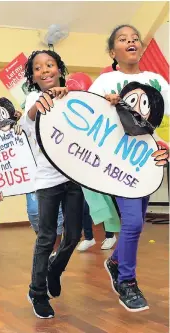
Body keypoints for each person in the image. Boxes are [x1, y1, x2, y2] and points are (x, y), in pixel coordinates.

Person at [87, 24, 169, 313]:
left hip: (148, 161)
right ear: (113, 51)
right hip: (118, 163)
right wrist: (108, 105)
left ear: (141, 48)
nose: (130, 42)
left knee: (138, 220)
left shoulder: (156, 80)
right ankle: (127, 281)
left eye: (135, 39)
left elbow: (167, 116)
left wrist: (165, 145)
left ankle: (116, 261)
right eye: (123, 39)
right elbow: (91, 118)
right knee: (132, 223)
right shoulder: (104, 82)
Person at [24, 50, 84, 319]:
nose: (45, 70)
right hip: (48, 180)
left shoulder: (73, 98)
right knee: (47, 237)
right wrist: (48, 97)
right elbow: (34, 113)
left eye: (50, 65)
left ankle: (54, 270)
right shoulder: (33, 98)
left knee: (73, 235)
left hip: (74, 178)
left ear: (59, 69)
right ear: (33, 76)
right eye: (38, 68)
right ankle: (37, 293)